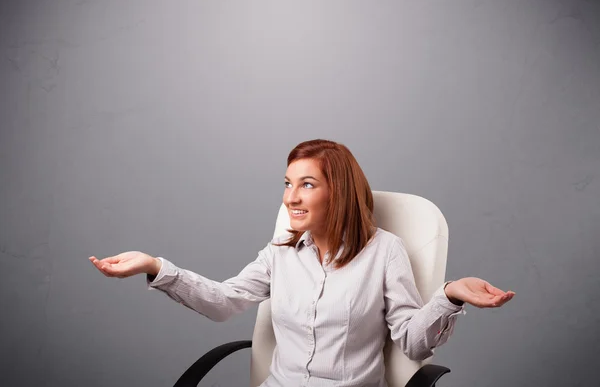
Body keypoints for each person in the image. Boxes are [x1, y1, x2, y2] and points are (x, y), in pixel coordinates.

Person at [90, 139, 514, 387]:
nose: (290, 197)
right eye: (288, 183)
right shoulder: (281, 250)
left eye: (306, 184)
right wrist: (154, 266)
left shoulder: (385, 252)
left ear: (339, 192)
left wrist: (449, 296)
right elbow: (223, 300)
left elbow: (412, 343)